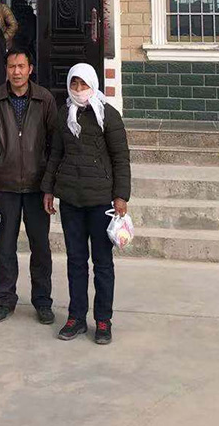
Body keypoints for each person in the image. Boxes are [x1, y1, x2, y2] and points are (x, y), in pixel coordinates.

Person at [42, 63, 131, 346]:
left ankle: (103, 320)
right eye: (74, 84)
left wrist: (121, 196)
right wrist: (48, 189)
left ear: (93, 84)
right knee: (76, 262)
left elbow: (120, 158)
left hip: (101, 201)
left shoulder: (108, 115)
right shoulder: (64, 115)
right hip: (71, 199)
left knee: (102, 264)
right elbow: (55, 154)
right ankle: (76, 317)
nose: (79, 90)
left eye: (83, 84)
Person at [0, 48, 57, 325]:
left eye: (21, 66)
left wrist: (50, 184)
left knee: (40, 247)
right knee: (5, 247)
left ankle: (42, 301)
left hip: (37, 186)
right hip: (6, 184)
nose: (17, 72)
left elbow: (54, 144)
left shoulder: (44, 99)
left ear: (30, 69)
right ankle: (5, 300)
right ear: (6, 69)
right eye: (12, 66)